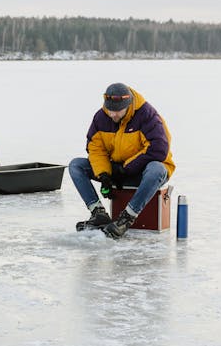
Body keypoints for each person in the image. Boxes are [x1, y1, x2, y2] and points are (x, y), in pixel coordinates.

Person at [68, 82, 175, 239]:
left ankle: (126, 219)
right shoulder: (101, 117)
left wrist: (126, 168)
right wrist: (104, 175)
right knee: (76, 165)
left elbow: (158, 149)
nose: (113, 115)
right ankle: (98, 213)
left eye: (117, 111)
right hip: (118, 170)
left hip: (145, 171)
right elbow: (96, 149)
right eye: (110, 110)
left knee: (156, 169)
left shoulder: (147, 115)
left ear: (128, 104)